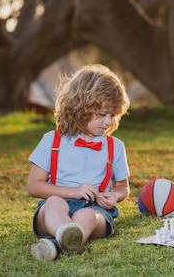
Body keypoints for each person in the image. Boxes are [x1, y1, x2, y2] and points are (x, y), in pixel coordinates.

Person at [27, 64, 131, 260]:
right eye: (102, 114)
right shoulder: (52, 140)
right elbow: (33, 186)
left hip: (94, 209)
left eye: (113, 115)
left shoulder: (114, 146)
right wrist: (73, 192)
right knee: (54, 204)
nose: (108, 122)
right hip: (53, 210)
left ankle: (58, 245)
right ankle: (65, 236)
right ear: (80, 107)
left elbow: (122, 187)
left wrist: (115, 197)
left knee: (88, 216)